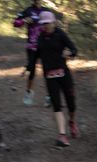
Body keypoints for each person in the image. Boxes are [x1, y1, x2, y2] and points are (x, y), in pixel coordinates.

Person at [35, 11, 79, 147]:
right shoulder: (40, 38)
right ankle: (62, 135)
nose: (45, 26)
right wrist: (29, 67)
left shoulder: (60, 34)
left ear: (53, 22)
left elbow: (74, 50)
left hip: (64, 74)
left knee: (71, 103)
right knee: (56, 105)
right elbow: (36, 56)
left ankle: (71, 121)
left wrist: (69, 53)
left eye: (47, 23)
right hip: (49, 76)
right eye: (43, 24)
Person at [12, 0, 46, 105]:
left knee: (48, 69)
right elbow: (15, 23)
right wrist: (25, 21)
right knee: (31, 69)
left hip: (46, 45)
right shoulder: (28, 10)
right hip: (32, 45)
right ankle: (28, 93)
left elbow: (55, 25)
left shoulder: (46, 11)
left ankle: (49, 95)